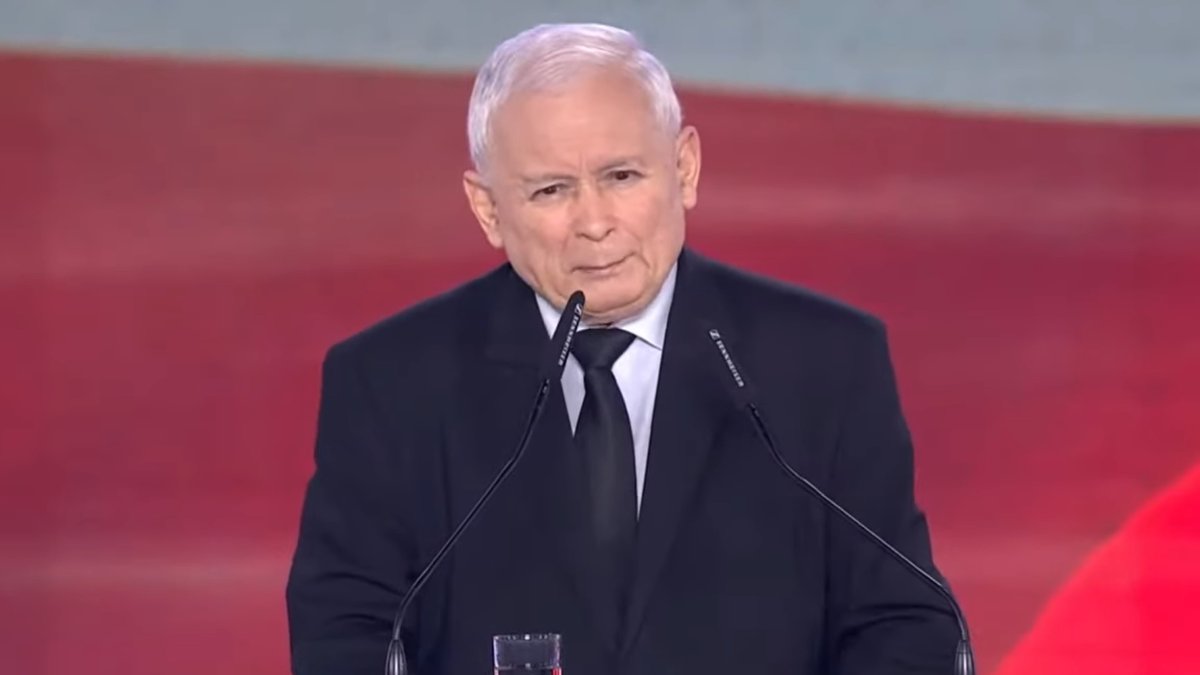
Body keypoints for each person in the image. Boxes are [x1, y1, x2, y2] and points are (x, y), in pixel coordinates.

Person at [286, 22, 961, 675]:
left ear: (684, 168)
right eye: (552, 190)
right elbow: (347, 639)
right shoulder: (391, 385)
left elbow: (902, 626)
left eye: (622, 177)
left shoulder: (824, 364)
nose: (595, 222)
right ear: (488, 210)